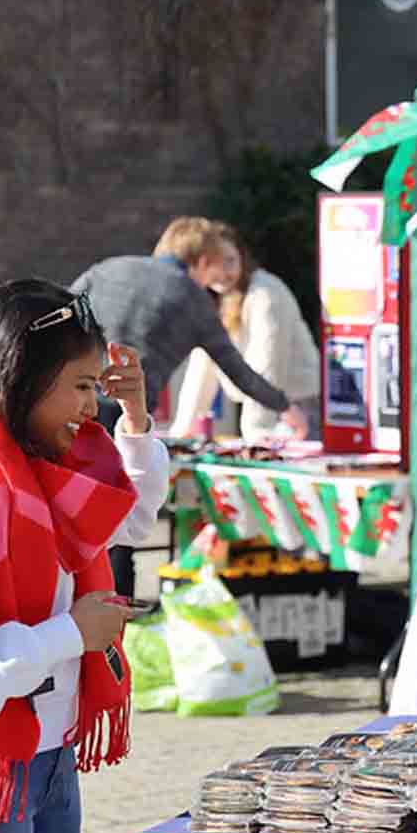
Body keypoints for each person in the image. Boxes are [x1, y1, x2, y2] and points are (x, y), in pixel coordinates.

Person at [0, 279, 169, 833]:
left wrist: (136, 419)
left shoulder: (51, 460)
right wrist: (70, 633)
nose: (90, 405)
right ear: (22, 379)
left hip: (51, 754)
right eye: (80, 386)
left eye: (96, 386)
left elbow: (128, 519)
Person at [71, 216, 306, 595]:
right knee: (117, 520)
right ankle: (117, 623)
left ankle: (75, 610)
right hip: (125, 414)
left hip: (72, 403)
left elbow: (60, 314)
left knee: (71, 509)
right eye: (214, 265)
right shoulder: (192, 298)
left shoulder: (108, 267)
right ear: (201, 260)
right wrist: (284, 406)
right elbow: (237, 370)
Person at [169, 222, 321, 441]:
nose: (224, 272)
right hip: (266, 407)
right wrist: (183, 429)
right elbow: (202, 368)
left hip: (298, 406)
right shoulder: (213, 300)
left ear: (243, 256)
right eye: (216, 263)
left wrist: (256, 431)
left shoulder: (265, 292)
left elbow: (268, 365)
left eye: (231, 261)